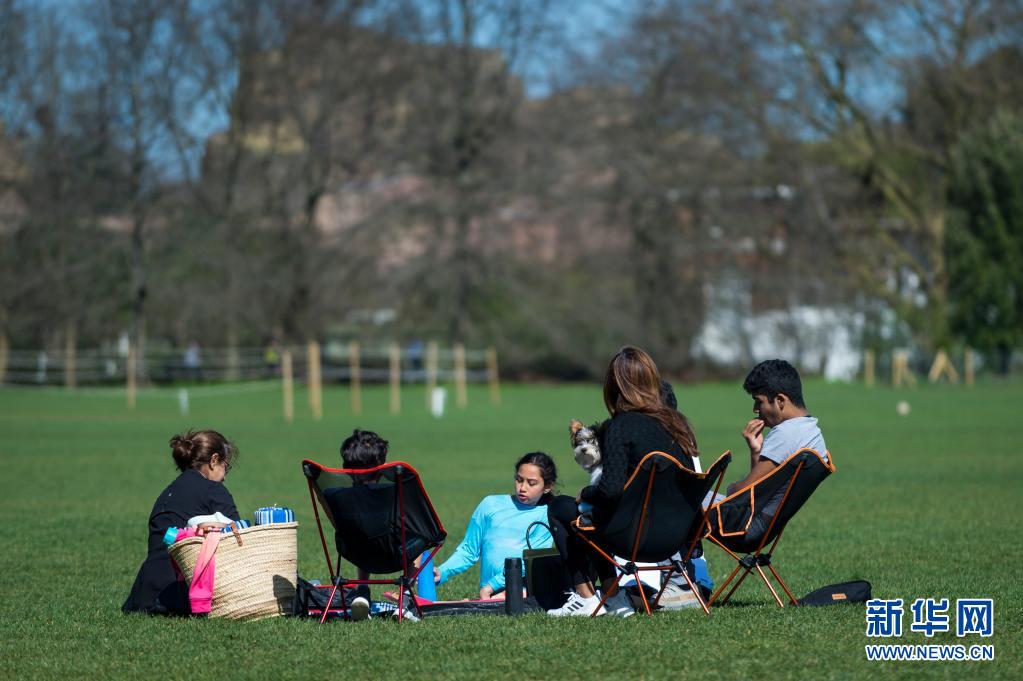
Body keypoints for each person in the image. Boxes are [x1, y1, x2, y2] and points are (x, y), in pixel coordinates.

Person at [547, 346, 700, 617]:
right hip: (676, 537)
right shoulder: (678, 424)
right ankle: (614, 598)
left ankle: (590, 598)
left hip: (634, 538)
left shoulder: (621, 426)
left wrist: (586, 493)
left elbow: (610, 491)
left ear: (614, 386)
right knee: (600, 513)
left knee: (561, 507)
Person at [123, 430, 240, 615]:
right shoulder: (214, 490)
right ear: (214, 460)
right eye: (226, 466)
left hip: (143, 595)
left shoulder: (166, 493)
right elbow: (239, 540)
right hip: (185, 596)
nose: (225, 476)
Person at [433, 452, 556, 600]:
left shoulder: (546, 515)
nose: (522, 487)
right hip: (487, 593)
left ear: (547, 486)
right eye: (519, 480)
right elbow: (469, 550)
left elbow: (530, 561)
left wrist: (491, 586)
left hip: (522, 591)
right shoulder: (490, 504)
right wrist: (443, 571)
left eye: (531, 483)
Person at [728, 359, 829, 497]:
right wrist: (756, 451)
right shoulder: (812, 431)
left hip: (743, 511)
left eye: (758, 401)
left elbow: (744, 493)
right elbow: (760, 490)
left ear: (780, 401)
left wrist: (732, 488)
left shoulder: (785, 434)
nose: (755, 409)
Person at [330, 428, 390, 621]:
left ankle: (362, 589)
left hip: (353, 550)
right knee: (419, 537)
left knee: (362, 534)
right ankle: (407, 594)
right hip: (394, 554)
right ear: (380, 468)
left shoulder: (336, 495)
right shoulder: (394, 492)